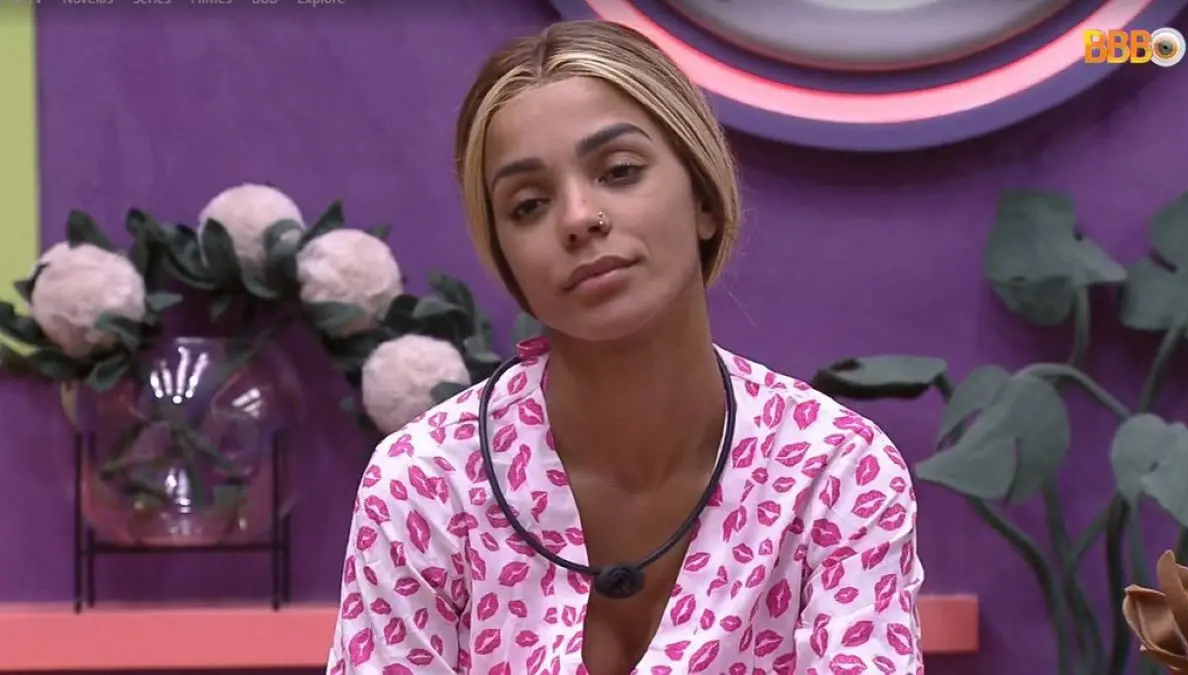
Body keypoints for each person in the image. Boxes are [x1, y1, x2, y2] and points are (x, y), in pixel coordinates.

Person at [326, 19, 923, 675]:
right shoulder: (425, 485)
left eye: (619, 171)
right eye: (528, 205)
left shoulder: (836, 472)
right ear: (507, 259)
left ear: (703, 199)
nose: (580, 218)